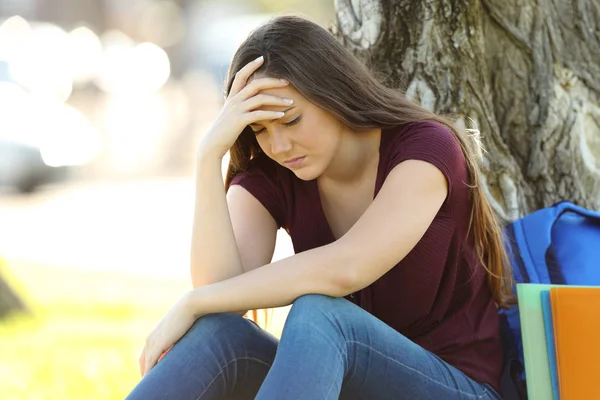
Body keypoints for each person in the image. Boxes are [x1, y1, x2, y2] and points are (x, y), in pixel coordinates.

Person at [126, 15, 513, 400]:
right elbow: (223, 295)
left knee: (320, 313)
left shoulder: (426, 149)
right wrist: (208, 156)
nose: (279, 146)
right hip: (346, 384)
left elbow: (348, 267)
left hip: (455, 387)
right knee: (220, 335)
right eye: (260, 130)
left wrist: (192, 302)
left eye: (291, 120)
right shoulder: (275, 172)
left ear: (333, 93)